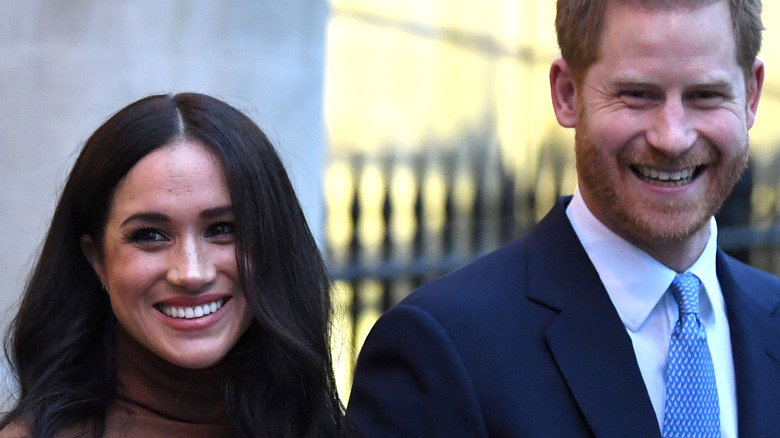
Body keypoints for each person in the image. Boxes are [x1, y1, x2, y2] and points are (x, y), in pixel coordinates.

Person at [347, 0, 780, 437]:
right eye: (637, 94)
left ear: (752, 95)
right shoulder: (442, 352)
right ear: (566, 93)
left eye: (705, 95)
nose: (672, 137)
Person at [0, 93, 350, 437]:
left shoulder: (316, 424)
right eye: (150, 235)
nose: (192, 273)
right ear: (96, 260)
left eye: (223, 229)